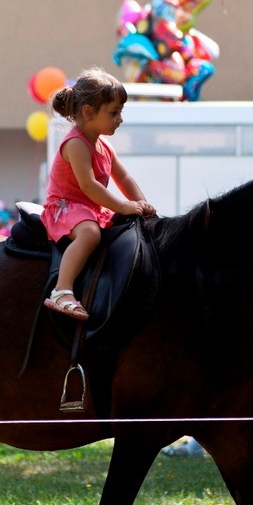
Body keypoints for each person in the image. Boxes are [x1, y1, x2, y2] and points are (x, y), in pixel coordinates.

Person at [41, 67, 155, 320]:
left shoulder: (104, 146)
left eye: (120, 112)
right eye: (114, 113)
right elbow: (89, 186)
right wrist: (123, 206)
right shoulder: (76, 144)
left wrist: (141, 202)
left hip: (89, 207)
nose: (120, 119)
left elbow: (123, 177)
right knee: (90, 233)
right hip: (66, 206)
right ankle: (62, 290)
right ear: (88, 112)